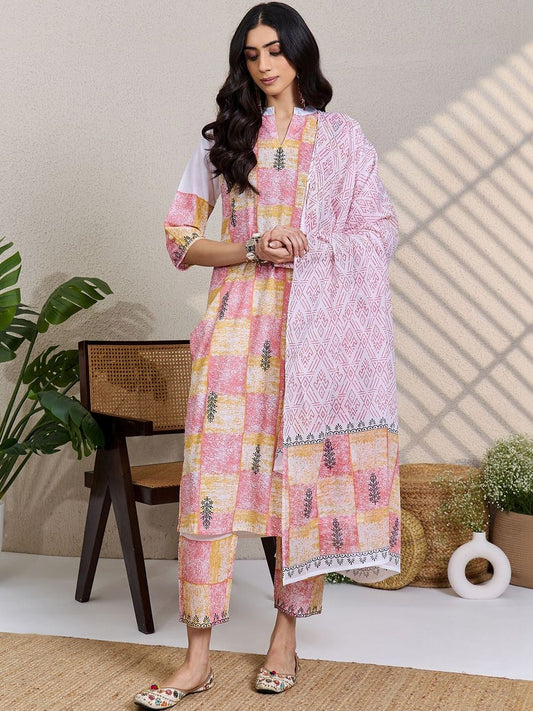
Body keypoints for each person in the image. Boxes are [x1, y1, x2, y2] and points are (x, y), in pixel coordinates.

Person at [135, 2, 400, 707]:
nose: (264, 64)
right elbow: (180, 241)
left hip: (311, 332)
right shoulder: (225, 141)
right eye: (251, 54)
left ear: (299, 53)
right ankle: (196, 658)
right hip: (235, 325)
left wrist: (314, 244)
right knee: (211, 481)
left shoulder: (340, 138)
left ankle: (285, 635)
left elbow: (378, 231)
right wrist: (252, 245)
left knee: (296, 483)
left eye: (275, 50)